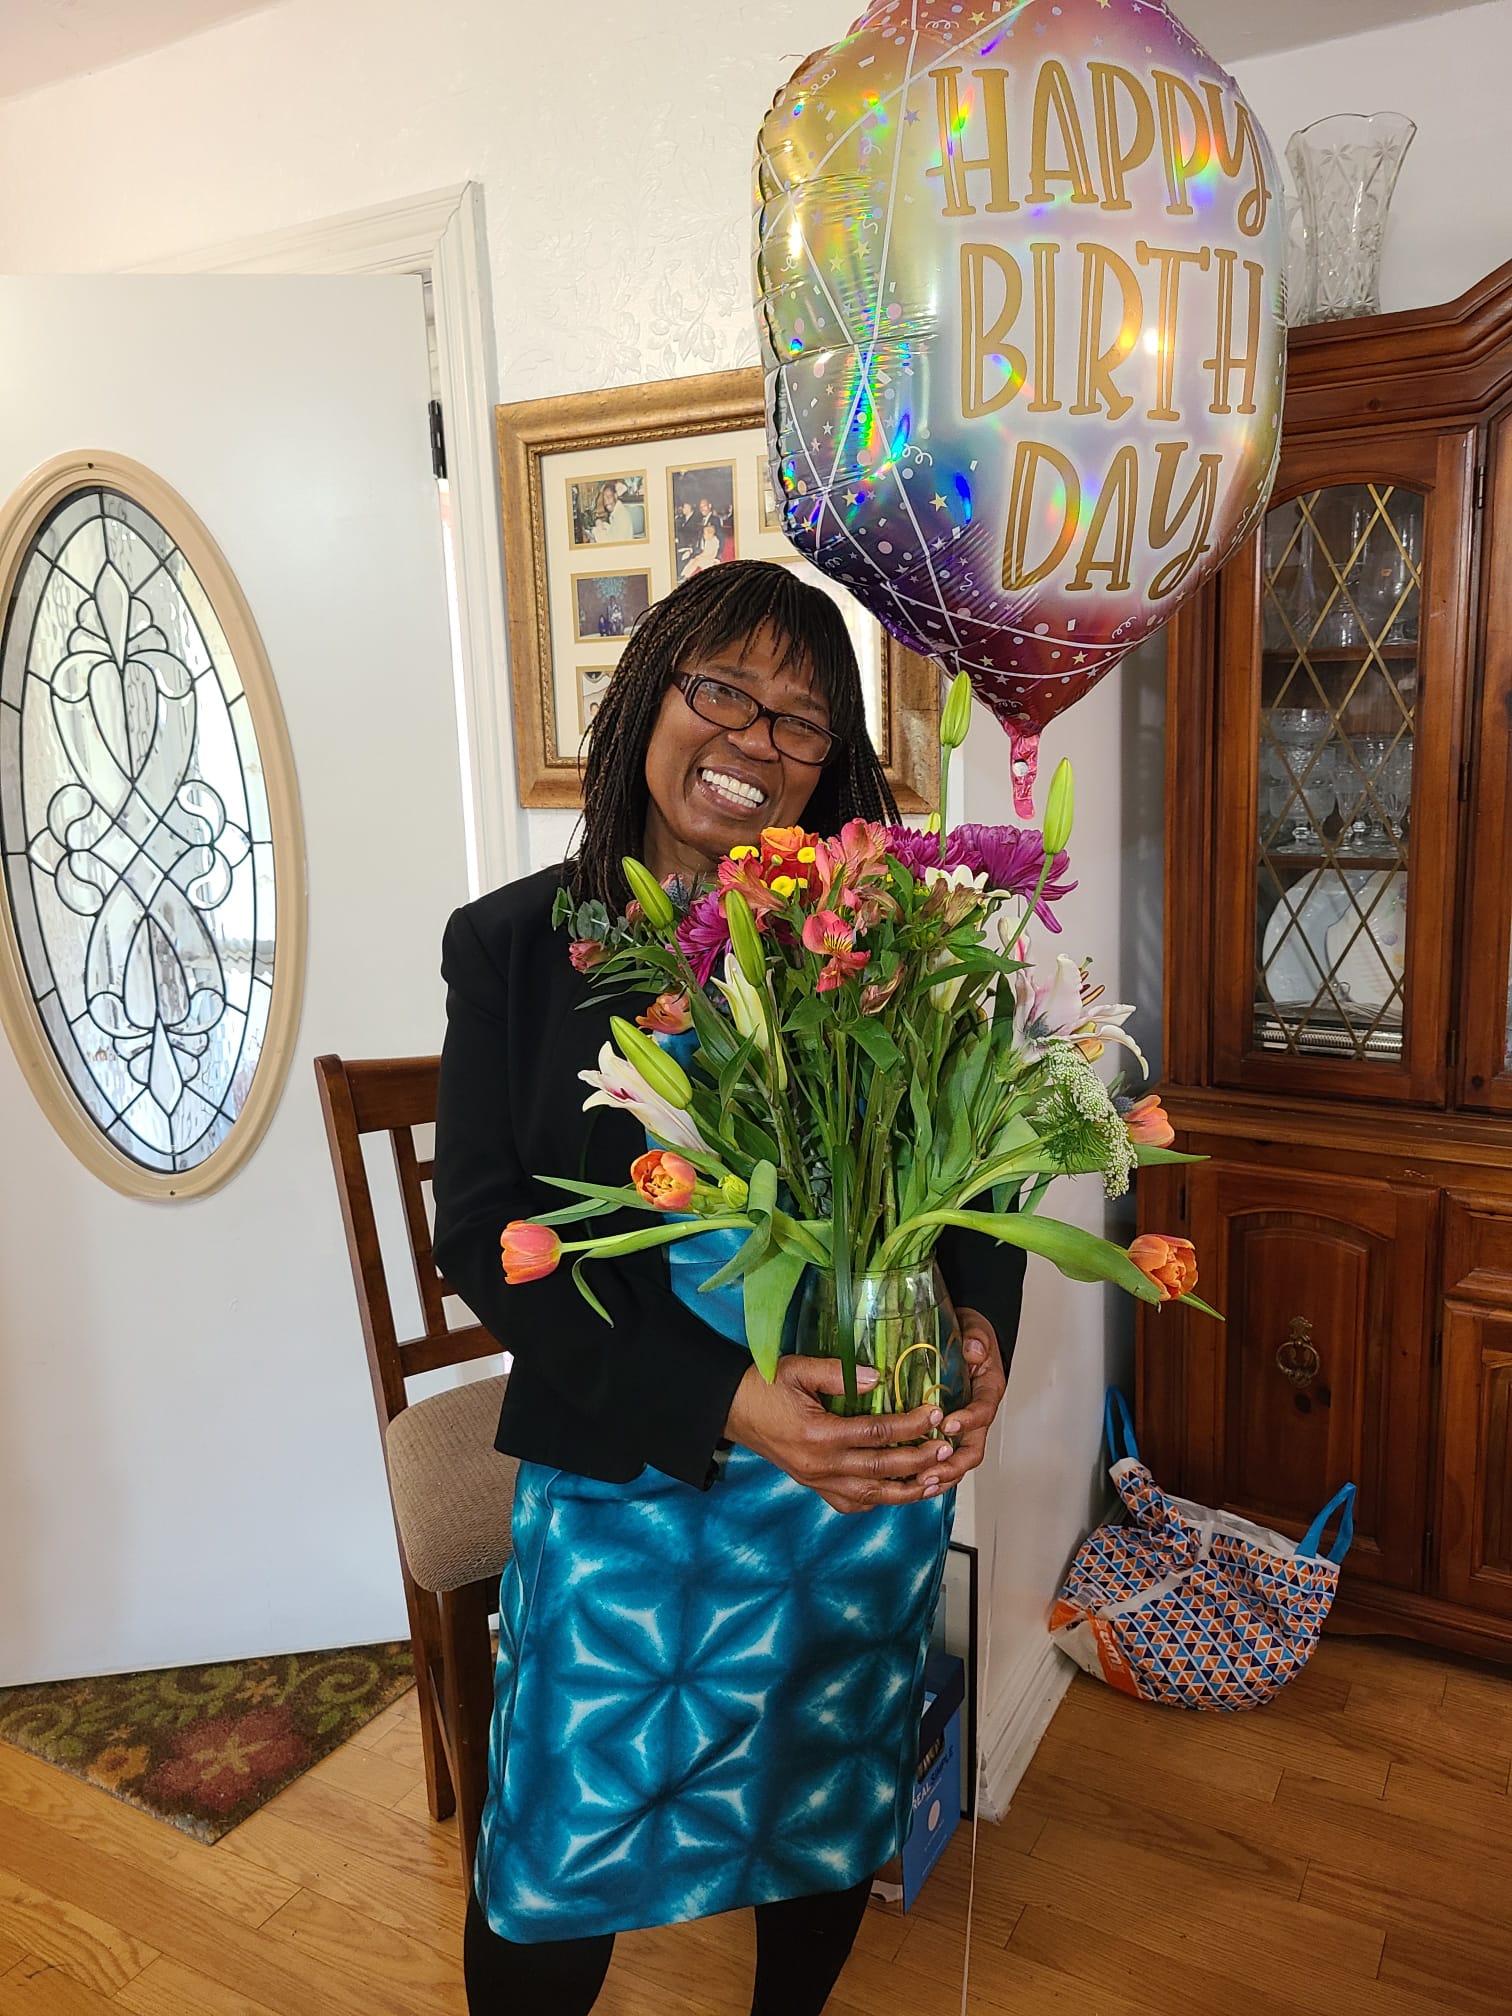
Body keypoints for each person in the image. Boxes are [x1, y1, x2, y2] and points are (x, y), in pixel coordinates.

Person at [433, 561, 1024, 2016]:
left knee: (818, 1812)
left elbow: (981, 1164)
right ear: (648, 698)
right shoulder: (510, 945)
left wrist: (978, 1322)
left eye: (800, 720)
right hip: (624, 1465)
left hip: (851, 1476)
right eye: (723, 692)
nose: (755, 740)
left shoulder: (883, 940)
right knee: (555, 1854)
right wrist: (726, 1401)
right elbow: (484, 1226)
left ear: (831, 760)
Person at [589, 479, 636, 544]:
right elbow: (614, 532)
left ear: (615, 496)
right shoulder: (617, 512)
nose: (606, 502)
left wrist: (595, 531)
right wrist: (603, 525)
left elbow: (612, 542)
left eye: (609, 497)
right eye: (604, 499)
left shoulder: (621, 515)